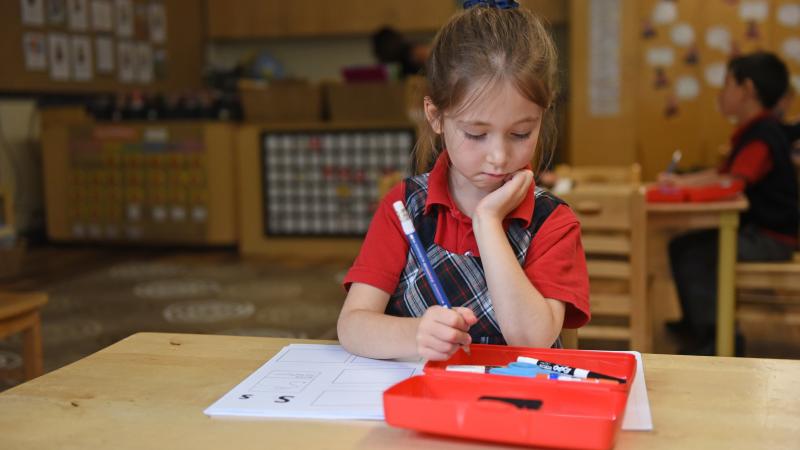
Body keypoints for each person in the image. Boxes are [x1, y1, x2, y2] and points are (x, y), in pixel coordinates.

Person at [337, 2, 590, 361]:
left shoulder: (553, 222)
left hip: (514, 406)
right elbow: (352, 325)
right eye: (475, 134)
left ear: (541, 117)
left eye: (520, 133)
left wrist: (488, 222)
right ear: (436, 116)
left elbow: (532, 339)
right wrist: (416, 334)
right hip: (423, 402)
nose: (499, 157)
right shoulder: (405, 207)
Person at [661, 51, 799, 355]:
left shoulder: (764, 134)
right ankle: (695, 323)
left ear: (747, 90)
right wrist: (682, 183)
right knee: (682, 246)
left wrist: (688, 190)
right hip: (757, 233)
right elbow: (724, 173)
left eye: (727, 85)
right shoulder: (754, 131)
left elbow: (735, 181)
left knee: (698, 254)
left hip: (770, 239)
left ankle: (718, 337)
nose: (721, 94)